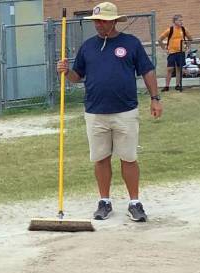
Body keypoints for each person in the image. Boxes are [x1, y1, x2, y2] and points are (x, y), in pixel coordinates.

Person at [56, 2, 162, 222]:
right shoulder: (88, 47)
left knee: (129, 158)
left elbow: (148, 71)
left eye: (102, 20)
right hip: (95, 112)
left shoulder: (130, 43)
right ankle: (104, 201)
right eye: (96, 21)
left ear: (114, 21)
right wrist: (66, 72)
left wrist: (155, 98)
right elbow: (78, 76)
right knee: (101, 158)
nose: (98, 25)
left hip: (125, 112)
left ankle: (134, 202)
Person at [158, 14, 191, 91]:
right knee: (170, 69)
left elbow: (190, 38)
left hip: (181, 52)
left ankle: (177, 85)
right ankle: (167, 86)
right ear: (175, 21)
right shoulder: (170, 30)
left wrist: (188, 47)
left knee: (179, 69)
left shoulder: (183, 30)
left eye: (182, 20)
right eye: (180, 20)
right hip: (172, 52)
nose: (181, 22)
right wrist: (164, 49)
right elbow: (160, 39)